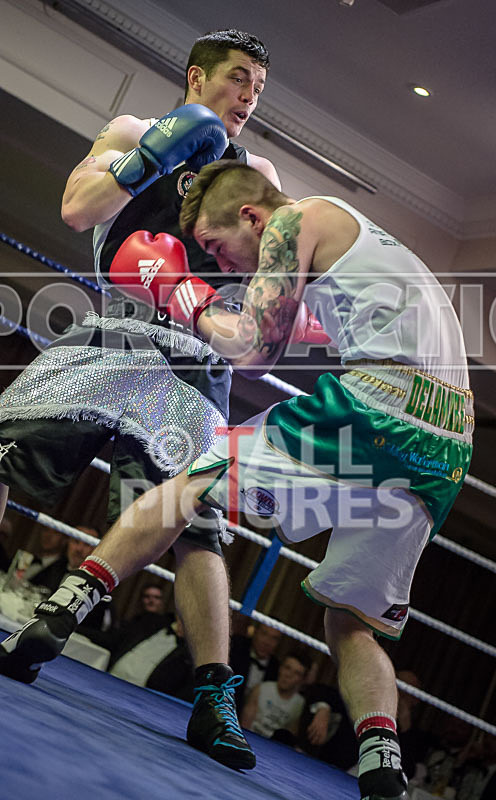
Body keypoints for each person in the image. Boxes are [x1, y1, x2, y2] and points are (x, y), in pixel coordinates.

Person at [0, 159, 474, 800]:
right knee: (351, 621)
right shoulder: (362, 239)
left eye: (221, 247)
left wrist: (180, 294)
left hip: (381, 408)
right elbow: (301, 323)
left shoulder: (293, 218)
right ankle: (382, 760)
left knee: (191, 482)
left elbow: (254, 349)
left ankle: (60, 613)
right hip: (446, 448)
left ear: (251, 216)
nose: (230, 264)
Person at [0, 30, 281, 771]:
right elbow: (77, 211)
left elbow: (268, 281)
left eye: (259, 87)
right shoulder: (131, 130)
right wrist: (154, 155)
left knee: (199, 530)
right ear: (197, 77)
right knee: (6, 446)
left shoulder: (259, 171)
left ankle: (214, 696)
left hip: (193, 358)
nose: (250, 97)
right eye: (239, 79)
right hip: (117, 331)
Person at [108, 612, 194, 702]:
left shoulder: (192, 656)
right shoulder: (150, 622)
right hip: (108, 678)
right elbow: (113, 640)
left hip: (138, 700)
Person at [240, 651, 309, 741]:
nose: (288, 675)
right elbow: (244, 727)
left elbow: (289, 739)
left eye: (296, 673)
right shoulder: (261, 689)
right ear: (280, 668)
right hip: (251, 741)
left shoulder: (300, 704)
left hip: (275, 749)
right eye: (287, 668)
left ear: (302, 680)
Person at [230, 621, 281, 713]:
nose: (267, 642)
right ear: (255, 632)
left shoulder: (276, 667)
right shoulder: (236, 646)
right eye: (264, 634)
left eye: (274, 638)